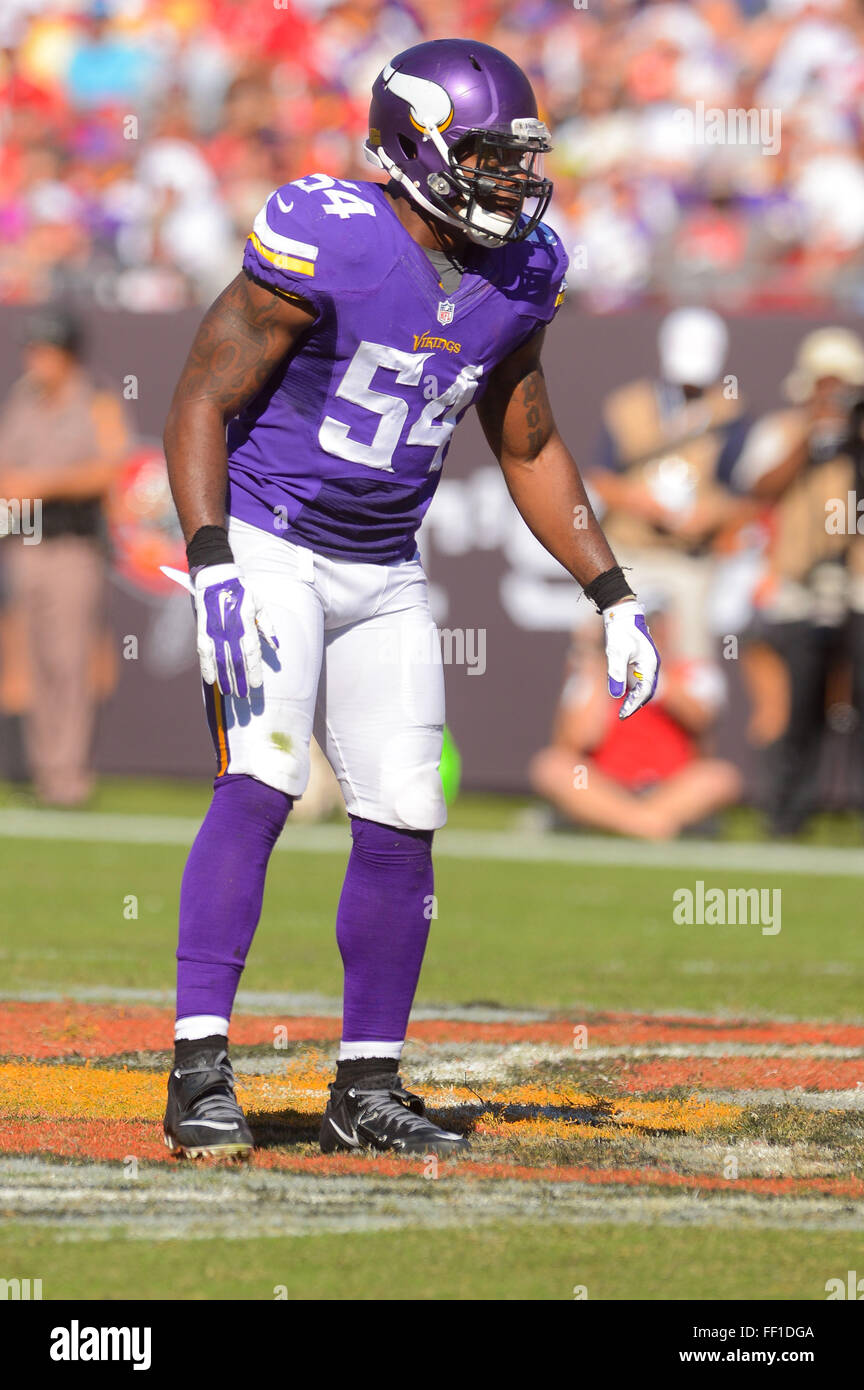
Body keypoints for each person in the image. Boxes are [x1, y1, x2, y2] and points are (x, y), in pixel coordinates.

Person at [162, 38, 660, 1162]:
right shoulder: (330, 234)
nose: (510, 182)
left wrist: (613, 592)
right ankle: (198, 1068)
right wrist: (212, 560)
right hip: (269, 541)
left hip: (385, 565)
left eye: (516, 159)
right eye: (483, 158)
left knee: (403, 810)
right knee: (264, 777)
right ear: (415, 148)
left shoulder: (522, 271)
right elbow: (200, 395)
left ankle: (367, 1084)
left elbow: (526, 437)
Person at [733, 327, 864, 834]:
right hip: (797, 585)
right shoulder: (783, 430)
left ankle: (849, 800)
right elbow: (758, 487)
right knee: (797, 702)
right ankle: (788, 809)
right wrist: (810, 438)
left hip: (854, 580)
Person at [0, 308, 129, 806]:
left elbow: (109, 470)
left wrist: (43, 484)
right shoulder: (22, 400)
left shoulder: (97, 401)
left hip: (73, 546)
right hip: (26, 544)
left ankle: (68, 777)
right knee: (31, 661)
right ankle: (43, 770)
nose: (36, 358)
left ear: (67, 353)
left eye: (45, 349)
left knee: (69, 662)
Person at [589, 306, 752, 662]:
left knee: (691, 664)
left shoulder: (731, 414)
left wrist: (707, 517)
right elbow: (600, 478)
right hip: (628, 556)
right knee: (608, 658)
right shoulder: (627, 405)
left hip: (688, 560)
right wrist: (643, 503)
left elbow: (741, 494)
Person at [530, 606, 740, 840]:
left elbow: (700, 719)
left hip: (670, 787)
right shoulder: (592, 674)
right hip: (608, 786)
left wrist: (652, 672)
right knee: (551, 767)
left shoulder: (693, 672)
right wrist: (598, 667)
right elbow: (579, 738)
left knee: (720, 778)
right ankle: (647, 824)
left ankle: (617, 821)